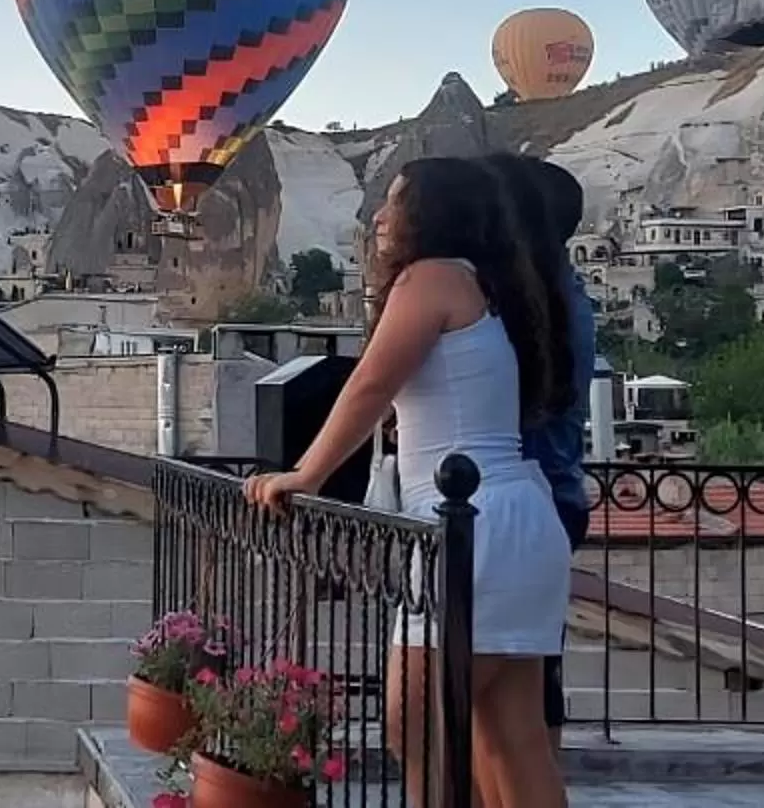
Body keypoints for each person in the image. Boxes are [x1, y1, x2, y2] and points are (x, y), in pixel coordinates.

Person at [245, 156, 573, 808]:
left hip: (469, 526)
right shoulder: (487, 284)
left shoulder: (430, 278)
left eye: (398, 203)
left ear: (434, 214)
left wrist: (306, 472)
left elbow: (369, 383)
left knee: (414, 725)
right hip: (517, 518)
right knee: (513, 737)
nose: (382, 217)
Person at [491, 151, 599, 754]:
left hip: (523, 498)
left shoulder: (531, 306)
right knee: (531, 672)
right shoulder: (560, 295)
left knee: (514, 679)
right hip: (554, 493)